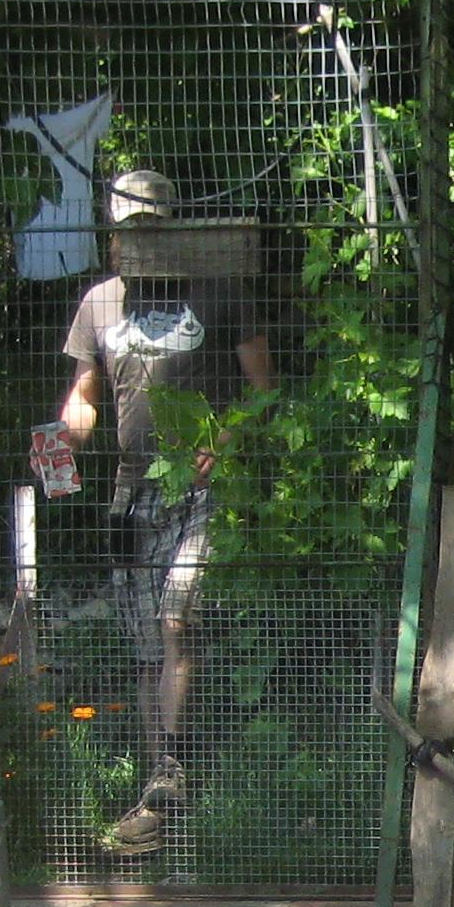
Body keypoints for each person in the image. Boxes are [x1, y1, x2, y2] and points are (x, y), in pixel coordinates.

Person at [48, 169, 276, 856]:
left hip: (200, 492)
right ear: (113, 236)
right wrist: (62, 439)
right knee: (147, 646)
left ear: (170, 227)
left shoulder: (216, 291)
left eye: (149, 225)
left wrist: (223, 441)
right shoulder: (99, 303)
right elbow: (86, 397)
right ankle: (159, 788)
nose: (135, 238)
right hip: (128, 496)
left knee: (179, 615)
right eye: (127, 228)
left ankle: (171, 767)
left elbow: (263, 389)